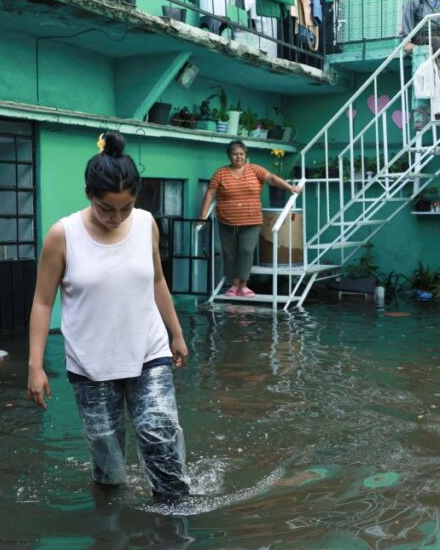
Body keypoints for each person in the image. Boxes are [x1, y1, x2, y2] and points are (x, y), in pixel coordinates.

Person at [27, 130, 190, 503]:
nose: (116, 217)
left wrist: (176, 334)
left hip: (149, 350)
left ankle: (176, 521)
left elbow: (158, 281)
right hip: (90, 363)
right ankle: (111, 527)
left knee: (159, 435)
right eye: (106, 208)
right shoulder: (62, 235)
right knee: (108, 459)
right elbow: (41, 302)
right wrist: (36, 366)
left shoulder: (147, 223)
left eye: (125, 208)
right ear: (89, 194)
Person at [197, 140, 301, 298]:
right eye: (234, 154)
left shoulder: (254, 169)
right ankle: (233, 285)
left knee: (246, 251)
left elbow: (272, 179)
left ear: (246, 155)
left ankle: (244, 285)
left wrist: (290, 187)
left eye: (241, 154)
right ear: (229, 156)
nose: (238, 157)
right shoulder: (220, 173)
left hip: (251, 221)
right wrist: (202, 217)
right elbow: (210, 194)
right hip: (227, 221)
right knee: (229, 253)